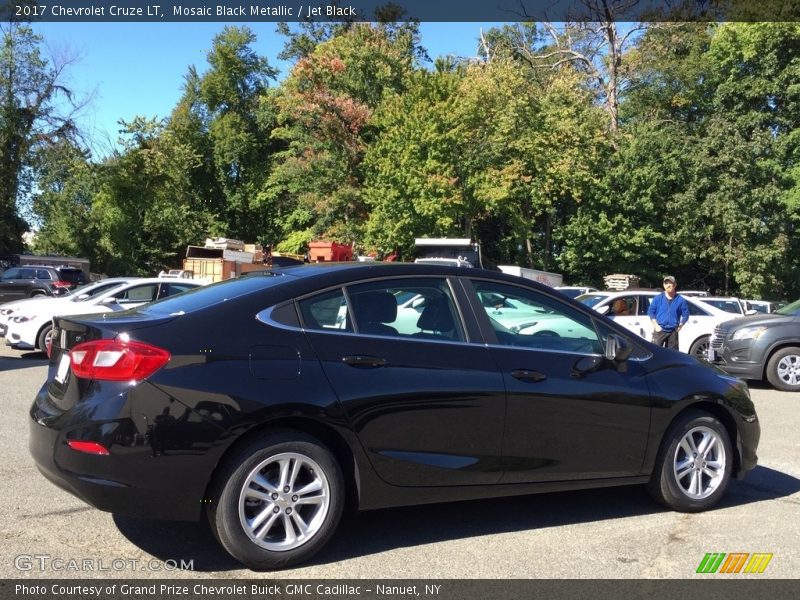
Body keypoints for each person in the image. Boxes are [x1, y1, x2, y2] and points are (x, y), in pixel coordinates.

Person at [647, 275, 690, 349]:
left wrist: (680, 325)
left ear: (675, 285)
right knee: (655, 353)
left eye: (671, 283)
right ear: (663, 285)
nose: (669, 285)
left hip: (673, 331)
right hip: (659, 330)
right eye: (666, 283)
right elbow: (650, 312)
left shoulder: (680, 300)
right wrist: (656, 326)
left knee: (673, 356)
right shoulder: (658, 298)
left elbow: (686, 314)